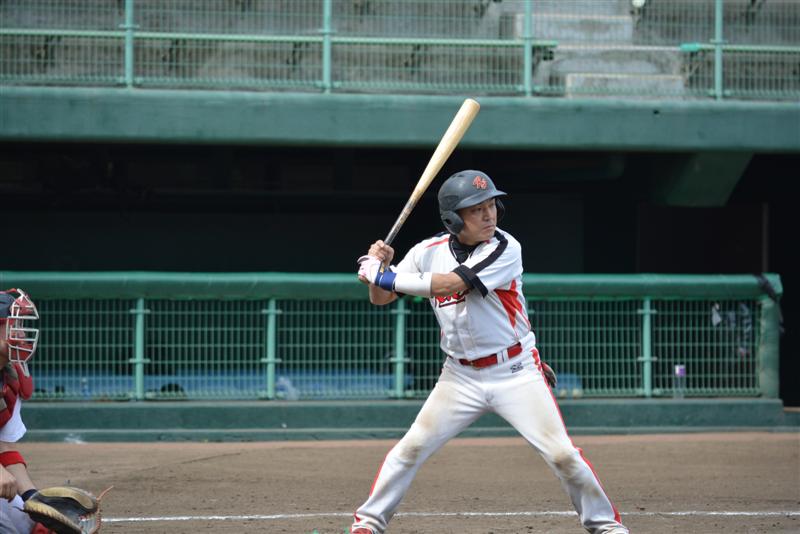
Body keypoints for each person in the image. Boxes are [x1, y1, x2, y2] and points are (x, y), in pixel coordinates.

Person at [352, 170, 628, 534]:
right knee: (410, 448)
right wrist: (381, 271)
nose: (489, 215)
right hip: (459, 377)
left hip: (515, 370)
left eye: (491, 205)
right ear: (453, 219)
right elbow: (381, 298)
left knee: (562, 454)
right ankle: (368, 524)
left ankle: (606, 526)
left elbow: (449, 284)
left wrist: (379, 273)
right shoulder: (426, 252)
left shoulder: (504, 247)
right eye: (476, 209)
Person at [0, 289, 101, 534]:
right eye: (12, 326)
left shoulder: (10, 376)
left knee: (32, 526)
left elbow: (4, 447)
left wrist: (32, 497)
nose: (21, 334)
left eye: (20, 325)